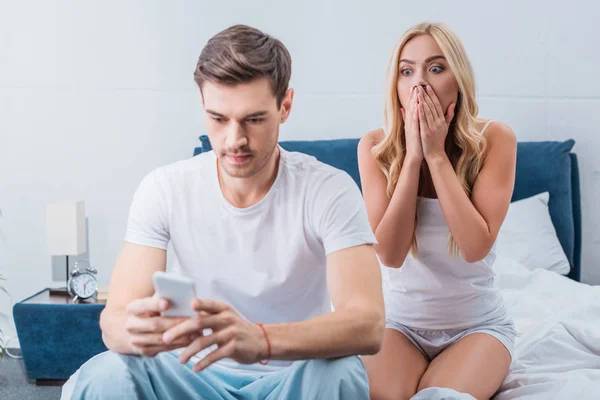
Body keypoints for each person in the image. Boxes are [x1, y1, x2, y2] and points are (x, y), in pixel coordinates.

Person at [61, 24, 384, 400]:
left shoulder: (330, 189)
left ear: (286, 106)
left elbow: (369, 323)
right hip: (192, 375)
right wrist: (137, 331)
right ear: (202, 106)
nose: (235, 140)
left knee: (342, 371)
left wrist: (261, 340)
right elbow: (113, 322)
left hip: (292, 378)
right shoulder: (164, 189)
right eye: (218, 119)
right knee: (108, 372)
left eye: (254, 119)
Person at [358, 22, 517, 400]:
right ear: (395, 85)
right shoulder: (374, 147)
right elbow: (390, 255)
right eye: (407, 70)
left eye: (435, 67)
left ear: (457, 79)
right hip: (399, 325)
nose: (420, 84)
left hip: (476, 327)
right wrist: (413, 159)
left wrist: (436, 154)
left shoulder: (495, 139)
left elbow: (474, 246)